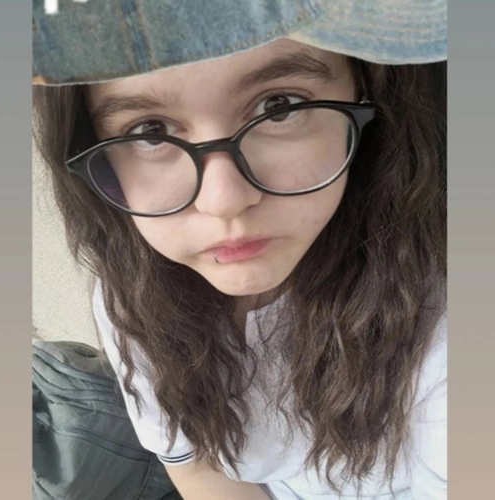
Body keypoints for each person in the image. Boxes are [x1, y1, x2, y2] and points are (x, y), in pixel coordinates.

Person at [32, 4, 447, 499]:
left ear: (366, 94)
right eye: (150, 132)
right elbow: (198, 467)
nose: (224, 200)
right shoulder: (131, 295)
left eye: (279, 106)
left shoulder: (442, 318)